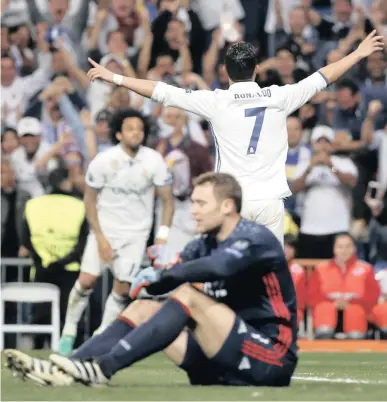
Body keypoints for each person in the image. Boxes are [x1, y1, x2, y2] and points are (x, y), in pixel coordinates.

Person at [85, 31, 384, 245]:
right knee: (270, 280)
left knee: (234, 278)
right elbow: (323, 76)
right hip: (269, 201)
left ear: (226, 74)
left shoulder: (216, 102)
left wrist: (115, 78)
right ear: (256, 70)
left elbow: (161, 90)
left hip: (233, 201)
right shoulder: (280, 97)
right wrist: (358, 53)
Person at [5, 173, 298, 388]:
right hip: (222, 356)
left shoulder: (256, 238)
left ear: (227, 206)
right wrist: (151, 279)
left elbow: (219, 267)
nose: (193, 210)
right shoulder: (202, 243)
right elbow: (169, 279)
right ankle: (65, 368)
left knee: (188, 295)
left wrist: (168, 274)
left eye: (200, 203)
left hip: (270, 357)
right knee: (144, 307)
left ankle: (104, 369)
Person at [58, 109, 174, 356]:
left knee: (122, 289)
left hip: (136, 234)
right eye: (130, 128)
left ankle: (98, 341)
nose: (136, 133)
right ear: (119, 133)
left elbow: (168, 200)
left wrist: (162, 234)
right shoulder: (103, 160)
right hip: (106, 229)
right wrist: (100, 237)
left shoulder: (154, 160)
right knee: (87, 281)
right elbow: (90, 199)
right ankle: (67, 334)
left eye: (140, 129)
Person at [21, 166, 88, 349]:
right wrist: (63, 261)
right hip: (70, 270)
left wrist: (43, 259)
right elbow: (84, 241)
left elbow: (25, 238)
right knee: (71, 317)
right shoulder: (80, 206)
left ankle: (38, 354)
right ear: (67, 182)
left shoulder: (33, 205)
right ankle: (70, 356)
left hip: (41, 269)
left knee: (41, 316)